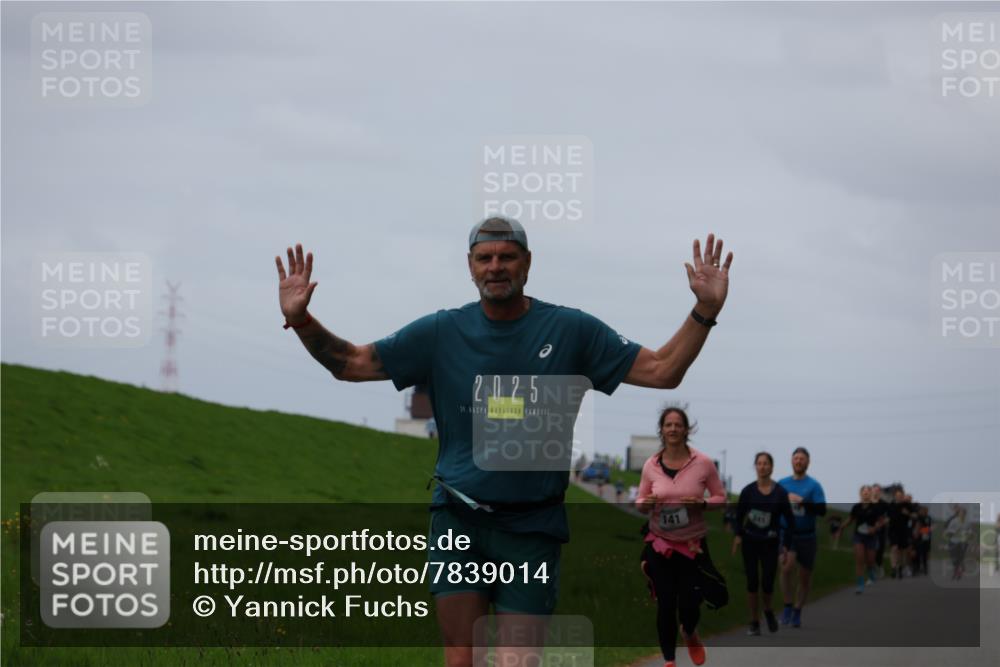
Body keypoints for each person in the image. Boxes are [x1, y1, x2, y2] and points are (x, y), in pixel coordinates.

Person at [275, 219, 734, 667]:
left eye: (507, 256)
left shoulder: (571, 331)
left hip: (532, 530)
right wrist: (301, 321)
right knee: (461, 658)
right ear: (470, 266)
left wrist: (704, 312)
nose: (495, 266)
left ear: (527, 264)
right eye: (484, 258)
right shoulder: (441, 332)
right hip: (458, 521)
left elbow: (662, 369)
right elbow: (351, 362)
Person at [637, 407, 727, 667]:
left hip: (692, 546)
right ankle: (669, 661)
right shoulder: (650, 465)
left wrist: (703, 504)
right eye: (668, 425)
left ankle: (689, 632)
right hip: (660, 543)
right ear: (662, 430)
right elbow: (640, 500)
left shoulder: (703, 463)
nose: (673, 429)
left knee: (689, 603)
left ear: (687, 430)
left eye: (678, 425)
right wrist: (646, 503)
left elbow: (721, 498)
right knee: (665, 603)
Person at [731, 452, 795, 636]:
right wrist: (738, 535)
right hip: (750, 542)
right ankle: (754, 622)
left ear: (771, 467)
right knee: (752, 582)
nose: (762, 466)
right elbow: (738, 516)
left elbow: (790, 522)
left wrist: (786, 545)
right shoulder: (748, 491)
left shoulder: (780, 493)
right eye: (759, 463)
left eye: (766, 463)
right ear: (755, 467)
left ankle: (767, 610)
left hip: (770, 542)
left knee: (767, 583)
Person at [777, 447, 826, 628]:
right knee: (786, 567)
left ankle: (798, 610)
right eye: (796, 458)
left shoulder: (814, 486)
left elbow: (822, 510)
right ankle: (788, 606)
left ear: (808, 462)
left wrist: (803, 502)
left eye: (802, 459)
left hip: (807, 536)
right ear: (791, 461)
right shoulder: (782, 483)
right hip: (787, 533)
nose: (798, 461)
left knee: (804, 577)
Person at [835, 485, 886, 594]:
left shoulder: (875, 507)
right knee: (860, 559)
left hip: (871, 537)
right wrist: (841, 528)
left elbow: (881, 521)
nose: (866, 493)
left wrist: (875, 527)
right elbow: (850, 519)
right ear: (861, 494)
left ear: (871, 494)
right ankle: (860, 585)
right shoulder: (856, 507)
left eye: (868, 491)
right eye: (864, 491)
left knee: (870, 561)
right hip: (858, 536)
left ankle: (871, 571)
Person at [887, 488, 912, 579]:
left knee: (901, 552)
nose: (899, 498)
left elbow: (914, 516)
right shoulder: (891, 505)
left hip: (903, 531)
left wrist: (908, 513)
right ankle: (893, 568)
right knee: (894, 548)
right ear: (895, 496)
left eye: (901, 496)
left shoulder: (907, 506)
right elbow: (888, 516)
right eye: (897, 496)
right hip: (893, 530)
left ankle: (900, 568)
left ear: (903, 497)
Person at [944, 505, 971, 580]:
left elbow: (969, 530)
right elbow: (948, 530)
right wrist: (954, 531)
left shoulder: (967, 522)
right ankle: (956, 570)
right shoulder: (954, 521)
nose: (962, 514)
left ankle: (957, 571)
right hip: (953, 541)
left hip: (963, 542)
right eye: (961, 513)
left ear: (965, 514)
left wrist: (968, 533)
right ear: (959, 513)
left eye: (964, 513)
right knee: (954, 558)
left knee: (960, 557)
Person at [870, 484, 889, 581]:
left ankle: (879, 566)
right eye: (875, 490)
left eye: (878, 490)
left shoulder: (884, 504)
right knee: (870, 550)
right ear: (871, 491)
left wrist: (880, 524)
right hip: (868, 531)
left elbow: (888, 517)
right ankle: (871, 569)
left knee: (879, 550)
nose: (876, 492)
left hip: (880, 530)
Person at [913, 504, 932, 576]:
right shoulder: (918, 518)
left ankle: (925, 567)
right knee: (918, 553)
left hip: (926, 538)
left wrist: (925, 530)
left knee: (925, 553)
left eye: (926, 510)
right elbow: (917, 529)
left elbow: (930, 528)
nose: (924, 512)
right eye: (923, 510)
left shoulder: (929, 518)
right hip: (919, 539)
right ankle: (917, 568)